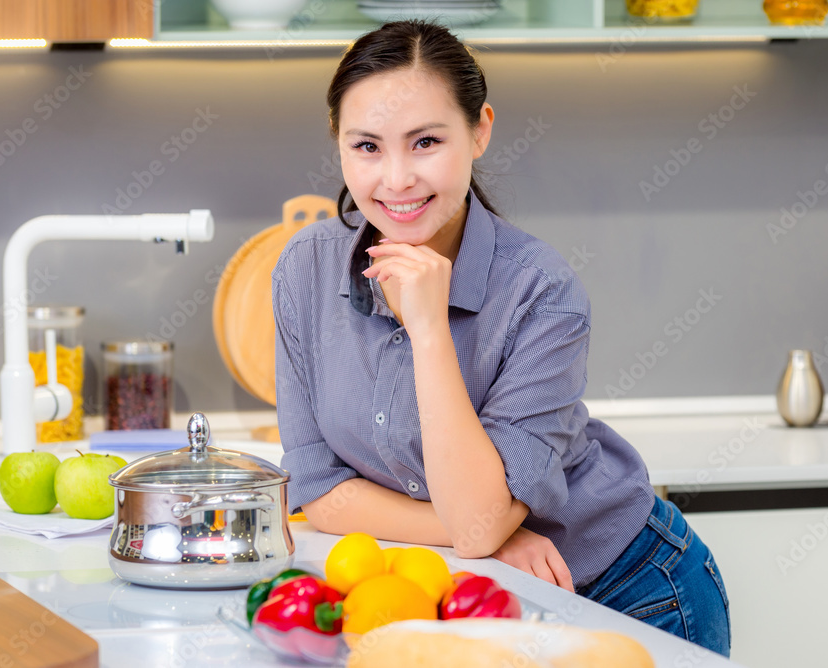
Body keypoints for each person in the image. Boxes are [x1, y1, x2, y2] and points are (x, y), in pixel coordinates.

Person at [271, 19, 731, 657]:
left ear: (480, 130)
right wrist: (474, 534)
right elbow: (318, 491)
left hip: (622, 590)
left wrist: (429, 329)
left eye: (426, 141)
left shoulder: (542, 292)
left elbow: (476, 520)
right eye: (367, 147)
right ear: (338, 145)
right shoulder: (305, 270)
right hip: (473, 587)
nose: (397, 179)